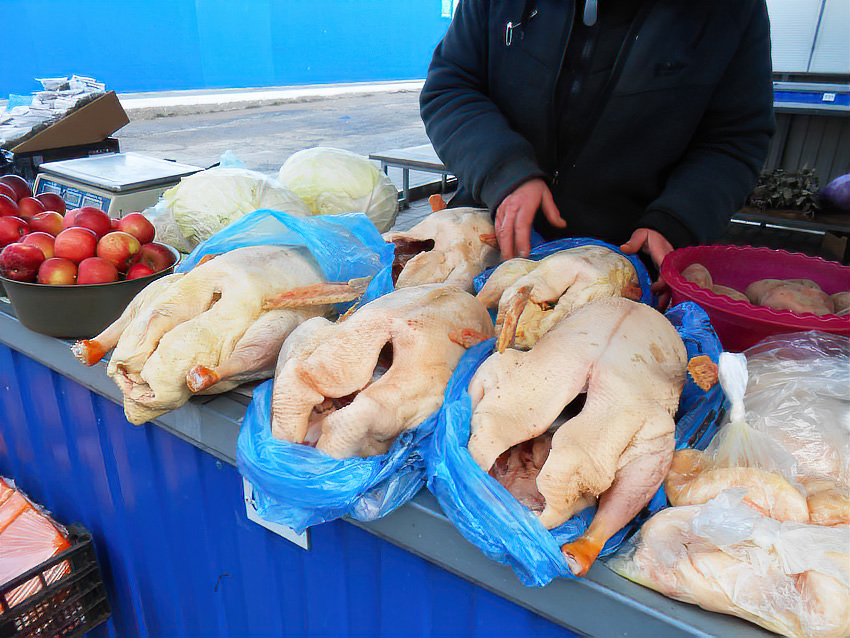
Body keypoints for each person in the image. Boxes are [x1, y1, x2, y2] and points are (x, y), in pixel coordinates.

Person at [420, 0, 775, 284]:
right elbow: (451, 85)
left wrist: (676, 221)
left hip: (622, 266)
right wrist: (503, 171)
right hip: (481, 239)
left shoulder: (732, 11)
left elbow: (734, 139)